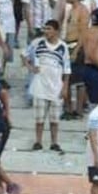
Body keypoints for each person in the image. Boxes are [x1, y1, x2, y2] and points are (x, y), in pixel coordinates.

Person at [27, 19, 69, 151]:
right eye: (45, 29)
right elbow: (24, 55)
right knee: (39, 118)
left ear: (56, 31)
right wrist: (31, 67)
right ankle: (38, 141)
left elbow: (67, 69)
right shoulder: (37, 43)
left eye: (49, 29)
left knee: (54, 119)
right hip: (40, 86)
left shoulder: (63, 47)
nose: (46, 31)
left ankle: (54, 142)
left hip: (56, 86)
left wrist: (65, 87)